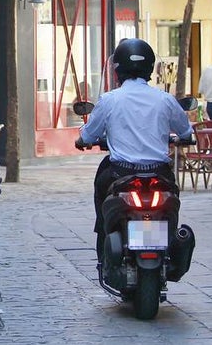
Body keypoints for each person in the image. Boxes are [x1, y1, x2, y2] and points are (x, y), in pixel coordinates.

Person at [76, 38, 193, 274]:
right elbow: (186, 132)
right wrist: (182, 138)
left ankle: (104, 242)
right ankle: (170, 241)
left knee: (101, 191)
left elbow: (88, 135)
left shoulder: (109, 100)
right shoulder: (165, 100)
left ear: (117, 70)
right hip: (159, 174)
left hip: (120, 173)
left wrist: (82, 141)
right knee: (173, 203)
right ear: (150, 68)